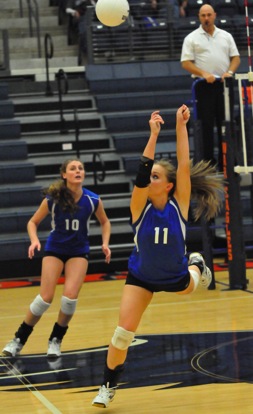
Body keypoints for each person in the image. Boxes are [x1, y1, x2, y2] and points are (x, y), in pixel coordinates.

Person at [91, 105, 224, 408]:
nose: (149, 179)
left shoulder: (179, 203)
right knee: (123, 333)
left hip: (175, 276)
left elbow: (183, 164)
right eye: (149, 176)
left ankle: (196, 263)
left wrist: (180, 126)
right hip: (142, 278)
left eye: (155, 176)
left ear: (168, 185)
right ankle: (107, 387)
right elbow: (140, 172)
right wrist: (153, 134)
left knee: (192, 285)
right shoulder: (140, 206)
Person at [2, 159, 111, 358]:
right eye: (73, 168)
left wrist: (105, 243)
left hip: (78, 251)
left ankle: (55, 339)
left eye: (80, 168)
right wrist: (34, 241)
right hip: (55, 249)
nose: (78, 171)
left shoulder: (93, 200)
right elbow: (32, 222)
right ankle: (18, 339)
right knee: (45, 299)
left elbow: (105, 222)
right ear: (64, 175)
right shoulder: (53, 199)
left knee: (69, 300)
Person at [180, 3, 240, 170]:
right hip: (204, 86)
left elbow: (235, 58)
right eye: (203, 16)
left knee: (226, 123)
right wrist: (203, 73)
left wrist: (230, 71)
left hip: (224, 85)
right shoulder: (191, 38)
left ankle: (227, 162)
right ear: (199, 17)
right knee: (206, 125)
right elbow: (185, 63)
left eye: (209, 15)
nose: (206, 18)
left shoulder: (226, 36)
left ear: (214, 15)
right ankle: (208, 165)